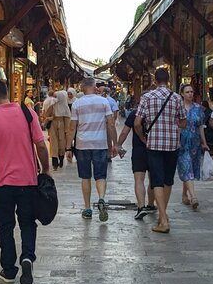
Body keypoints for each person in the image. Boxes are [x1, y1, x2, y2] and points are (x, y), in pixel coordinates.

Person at [0, 79, 50, 284]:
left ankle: (9, 269)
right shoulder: (27, 113)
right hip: (28, 180)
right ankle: (28, 256)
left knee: (5, 226)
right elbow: (40, 145)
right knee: (27, 222)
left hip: (3, 183)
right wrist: (46, 170)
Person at [134, 67, 187, 233]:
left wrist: (143, 137)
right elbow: (183, 122)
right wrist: (173, 124)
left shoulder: (147, 97)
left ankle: (163, 219)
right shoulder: (177, 97)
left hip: (154, 144)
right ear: (169, 80)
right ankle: (163, 215)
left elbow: (137, 123)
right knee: (167, 180)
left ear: (154, 81)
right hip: (172, 144)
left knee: (156, 180)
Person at [67, 77, 117, 221]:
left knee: (85, 176)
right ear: (95, 87)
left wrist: (68, 147)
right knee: (100, 175)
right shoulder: (104, 101)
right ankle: (101, 199)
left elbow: (72, 127)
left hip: (82, 144)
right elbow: (111, 124)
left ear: (82, 88)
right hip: (100, 143)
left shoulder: (77, 103)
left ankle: (88, 208)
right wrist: (115, 144)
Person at [117, 88, 155, 220]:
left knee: (139, 179)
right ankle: (151, 205)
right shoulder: (155, 114)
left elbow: (124, 132)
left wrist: (118, 145)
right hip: (154, 149)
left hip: (139, 150)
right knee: (153, 179)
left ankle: (141, 206)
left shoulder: (134, 114)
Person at [177, 83, 209, 211]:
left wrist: (204, 142)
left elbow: (200, 126)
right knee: (186, 166)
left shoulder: (198, 108)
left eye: (191, 92)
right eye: (187, 92)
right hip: (181, 143)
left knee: (189, 168)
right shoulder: (178, 108)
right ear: (182, 94)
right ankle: (193, 197)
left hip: (194, 143)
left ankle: (185, 194)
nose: (190, 94)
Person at [46, 87, 71, 168]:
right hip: (54, 124)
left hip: (62, 125)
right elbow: (46, 114)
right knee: (54, 142)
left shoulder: (64, 106)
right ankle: (55, 161)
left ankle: (61, 158)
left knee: (61, 143)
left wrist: (67, 131)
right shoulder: (53, 104)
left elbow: (67, 119)